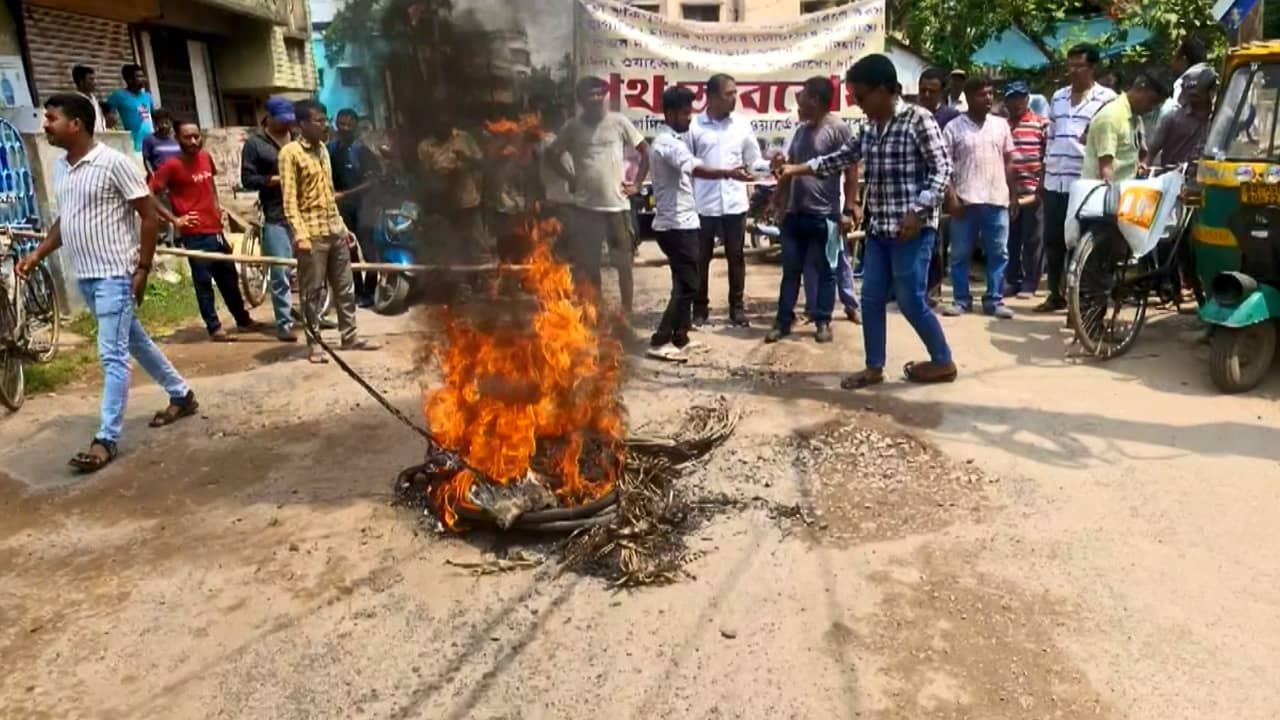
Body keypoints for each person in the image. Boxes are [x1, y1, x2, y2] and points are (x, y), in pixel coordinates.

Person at [16, 93, 196, 473]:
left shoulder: (114, 163)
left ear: (76, 124)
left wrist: (143, 269)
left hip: (116, 273)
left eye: (51, 118)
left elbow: (149, 217)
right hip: (87, 276)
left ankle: (106, 439)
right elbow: (67, 222)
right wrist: (37, 255)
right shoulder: (63, 169)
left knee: (112, 355)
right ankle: (182, 394)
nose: (44, 125)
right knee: (135, 341)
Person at [778, 54, 955, 389]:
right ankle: (874, 367)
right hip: (880, 231)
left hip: (912, 232)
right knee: (871, 298)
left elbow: (942, 169)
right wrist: (795, 170)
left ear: (885, 90)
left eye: (861, 97)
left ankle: (943, 361)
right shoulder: (870, 129)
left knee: (910, 300)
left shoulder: (918, 119)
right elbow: (841, 158)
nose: (857, 105)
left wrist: (918, 210)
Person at [645, 86, 752, 362]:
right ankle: (660, 340)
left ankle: (680, 338)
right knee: (688, 285)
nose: (689, 119)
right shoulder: (667, 144)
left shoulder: (675, 140)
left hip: (683, 222)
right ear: (668, 114)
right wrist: (728, 173)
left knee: (684, 282)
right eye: (683, 114)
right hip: (675, 226)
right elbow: (697, 168)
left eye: (690, 112)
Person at [279, 99, 380, 362]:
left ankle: (350, 337)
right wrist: (299, 235)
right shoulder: (290, 154)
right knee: (312, 292)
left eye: (325, 119)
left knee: (345, 289)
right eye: (319, 121)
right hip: (311, 236)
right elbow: (289, 201)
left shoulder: (323, 150)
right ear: (302, 124)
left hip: (334, 230)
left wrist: (344, 228)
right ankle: (314, 344)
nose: (325, 125)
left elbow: (327, 195)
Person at [545, 76, 649, 315]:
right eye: (589, 95)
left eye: (599, 93)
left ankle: (626, 314)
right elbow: (552, 154)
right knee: (590, 266)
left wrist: (637, 184)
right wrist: (570, 178)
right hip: (586, 209)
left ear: (605, 95)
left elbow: (646, 152)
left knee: (624, 265)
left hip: (617, 207)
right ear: (581, 100)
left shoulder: (619, 122)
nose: (595, 99)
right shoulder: (572, 127)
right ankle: (598, 314)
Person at [150, 117, 257, 342]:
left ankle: (243, 319)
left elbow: (210, 185)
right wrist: (175, 220)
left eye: (196, 136)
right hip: (194, 234)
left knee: (229, 278)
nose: (193, 140)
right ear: (177, 139)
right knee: (203, 282)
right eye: (187, 137)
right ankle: (214, 327)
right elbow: (150, 194)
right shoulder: (171, 166)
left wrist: (218, 209)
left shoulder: (206, 158)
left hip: (215, 230)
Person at [768, 76, 856, 344]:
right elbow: (789, 170)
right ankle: (783, 322)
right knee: (791, 271)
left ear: (815, 101)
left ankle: (823, 321)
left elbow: (851, 170)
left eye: (802, 97)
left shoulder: (839, 129)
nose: (798, 102)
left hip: (826, 216)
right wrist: (778, 201)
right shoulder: (801, 132)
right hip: (795, 215)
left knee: (828, 270)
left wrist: (850, 208)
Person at [1037, 44, 1116, 313]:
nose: (1072, 71)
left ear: (1092, 67)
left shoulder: (1107, 99)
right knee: (1053, 240)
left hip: (1083, 182)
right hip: (1054, 179)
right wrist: (1043, 173)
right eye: (1069, 65)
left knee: (1080, 242)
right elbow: (1049, 138)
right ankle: (1054, 294)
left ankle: (1080, 300)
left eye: (1078, 66)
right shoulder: (1058, 98)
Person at [686, 73, 770, 327]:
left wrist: (770, 166)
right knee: (701, 258)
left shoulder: (742, 125)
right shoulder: (694, 127)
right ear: (710, 97)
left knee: (736, 256)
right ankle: (700, 309)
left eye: (735, 93)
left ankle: (737, 308)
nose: (734, 98)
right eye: (728, 94)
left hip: (734, 203)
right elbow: (686, 166)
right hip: (703, 204)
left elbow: (754, 161)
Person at [941, 76, 1017, 320]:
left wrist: (1013, 195)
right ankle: (961, 300)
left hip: (996, 199)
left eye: (991, 93)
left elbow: (1009, 162)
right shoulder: (954, 127)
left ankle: (994, 300)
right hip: (965, 201)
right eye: (983, 94)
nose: (989, 99)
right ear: (970, 97)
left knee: (998, 253)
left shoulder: (1000, 125)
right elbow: (943, 166)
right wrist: (951, 197)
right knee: (960, 254)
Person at [241, 96, 299, 342]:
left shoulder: (297, 138)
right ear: (270, 118)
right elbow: (248, 179)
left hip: (303, 212)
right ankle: (284, 322)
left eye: (290, 121)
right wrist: (275, 180)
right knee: (280, 269)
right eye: (282, 120)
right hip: (275, 213)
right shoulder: (255, 144)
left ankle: (313, 314)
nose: (287, 125)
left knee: (310, 269)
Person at [417, 116, 486, 285]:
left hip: (468, 201)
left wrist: (465, 159)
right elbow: (424, 175)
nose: (442, 125)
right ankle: (456, 284)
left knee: (474, 243)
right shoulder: (426, 146)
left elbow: (481, 164)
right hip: (443, 205)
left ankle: (478, 281)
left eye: (445, 121)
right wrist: (441, 174)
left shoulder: (464, 138)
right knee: (450, 246)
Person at [328, 108, 382, 307]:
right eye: (341, 124)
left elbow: (372, 182)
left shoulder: (363, 151)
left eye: (349, 124)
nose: (344, 128)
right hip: (342, 209)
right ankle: (357, 291)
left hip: (364, 207)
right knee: (349, 251)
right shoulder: (331, 149)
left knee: (369, 252)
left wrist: (345, 194)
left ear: (356, 126)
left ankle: (370, 290)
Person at [916, 67, 961, 306]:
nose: (925, 95)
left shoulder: (951, 117)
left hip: (942, 185)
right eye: (922, 90)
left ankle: (933, 289)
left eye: (931, 91)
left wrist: (950, 190)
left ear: (942, 92)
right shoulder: (911, 115)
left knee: (935, 241)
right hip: (914, 185)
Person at [1002, 81, 1050, 299]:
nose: (1017, 103)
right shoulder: (1002, 126)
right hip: (1007, 192)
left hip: (1034, 191)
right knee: (1010, 239)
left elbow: (1048, 157)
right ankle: (1013, 280)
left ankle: (1031, 282)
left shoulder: (1042, 124)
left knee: (1033, 238)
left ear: (1027, 99)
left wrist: (1041, 185)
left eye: (1021, 98)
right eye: (1012, 98)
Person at [1082, 71, 1170, 183]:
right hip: (1105, 194)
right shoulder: (1111, 116)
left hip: (1126, 190)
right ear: (1141, 88)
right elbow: (1105, 169)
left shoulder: (1136, 118)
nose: (1151, 108)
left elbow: (1141, 152)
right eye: (1152, 101)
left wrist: (1141, 166)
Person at [1148, 66, 1217, 166]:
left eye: (1196, 93)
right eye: (1188, 91)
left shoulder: (1221, 119)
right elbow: (1152, 151)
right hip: (1172, 176)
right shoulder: (1172, 117)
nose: (1191, 93)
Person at [106, 64, 154, 152]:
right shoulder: (118, 96)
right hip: (132, 146)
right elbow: (106, 118)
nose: (143, 79)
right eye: (138, 76)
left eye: (142, 76)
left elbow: (153, 118)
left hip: (151, 145)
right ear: (129, 79)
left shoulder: (148, 96)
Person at [1163, 36, 1210, 119]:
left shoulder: (1182, 86)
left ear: (1183, 59)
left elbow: (1171, 115)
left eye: (1174, 57)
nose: (1171, 62)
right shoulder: (1207, 82)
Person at [141, 108, 181, 175]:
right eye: (161, 123)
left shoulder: (178, 138)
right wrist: (153, 175)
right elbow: (146, 160)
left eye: (166, 123)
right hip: (159, 177)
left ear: (171, 122)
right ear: (156, 123)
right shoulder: (149, 140)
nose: (164, 126)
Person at [71, 64, 105, 133]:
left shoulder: (94, 100)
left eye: (95, 79)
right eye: (91, 79)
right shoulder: (75, 103)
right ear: (81, 82)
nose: (95, 82)